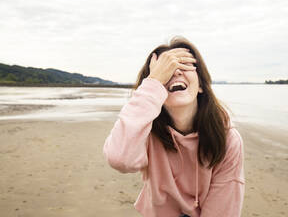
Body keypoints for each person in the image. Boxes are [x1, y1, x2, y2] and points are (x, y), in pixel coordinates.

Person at [103, 36, 245, 216]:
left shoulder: (228, 140)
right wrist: (153, 82)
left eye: (184, 65)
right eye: (165, 70)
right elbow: (120, 159)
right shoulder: (145, 130)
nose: (176, 72)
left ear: (200, 84)